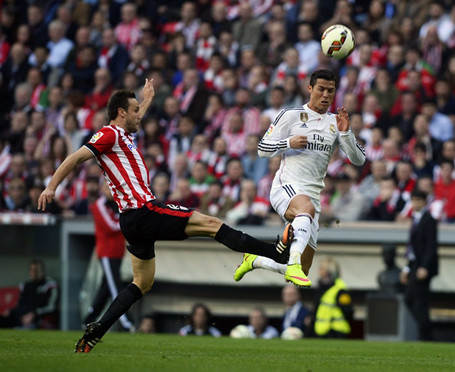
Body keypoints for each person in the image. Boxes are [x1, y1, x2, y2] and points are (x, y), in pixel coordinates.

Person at [37, 80, 293, 353]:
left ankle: (96, 330)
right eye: (135, 110)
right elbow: (74, 158)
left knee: (142, 282)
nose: (140, 114)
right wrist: (52, 186)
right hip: (144, 211)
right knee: (212, 224)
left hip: (132, 222)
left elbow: (135, 117)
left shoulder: (124, 134)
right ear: (121, 113)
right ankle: (275, 253)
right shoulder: (108, 134)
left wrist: (146, 99)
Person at [234, 69, 366, 287]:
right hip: (286, 187)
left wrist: (345, 133)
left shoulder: (336, 122)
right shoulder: (290, 115)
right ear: (310, 89)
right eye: (321, 89)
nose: (325, 95)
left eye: (330, 91)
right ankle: (293, 261)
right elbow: (262, 149)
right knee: (306, 212)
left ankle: (255, 260)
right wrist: (289, 143)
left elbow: (359, 159)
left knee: (304, 270)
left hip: (312, 197)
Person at [83, 182, 133, 332]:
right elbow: (111, 225)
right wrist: (127, 220)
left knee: (105, 289)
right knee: (115, 287)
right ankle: (128, 322)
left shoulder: (118, 204)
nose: (111, 191)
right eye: (107, 188)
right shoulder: (100, 205)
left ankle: (89, 319)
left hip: (117, 252)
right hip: (107, 253)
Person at [400, 189, 439, 341]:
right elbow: (412, 247)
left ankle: (427, 334)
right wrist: (407, 267)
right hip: (416, 263)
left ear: (424, 202)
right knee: (411, 299)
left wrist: (424, 266)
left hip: (422, 265)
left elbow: (431, 246)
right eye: (413, 200)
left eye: (418, 200)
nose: (415, 203)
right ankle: (425, 331)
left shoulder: (429, 220)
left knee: (418, 300)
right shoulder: (416, 219)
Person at [0, 259, 59, 329]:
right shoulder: (26, 285)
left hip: (37, 318)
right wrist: (11, 311)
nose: (35, 273)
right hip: (20, 317)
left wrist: (34, 314)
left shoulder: (50, 285)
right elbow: (20, 305)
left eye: (37, 270)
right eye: (33, 270)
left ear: (43, 270)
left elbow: (52, 307)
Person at [312, 258, 353, 338]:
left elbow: (348, 311)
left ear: (328, 271)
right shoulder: (321, 287)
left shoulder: (340, 289)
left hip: (336, 332)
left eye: (321, 268)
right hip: (322, 331)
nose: (319, 270)